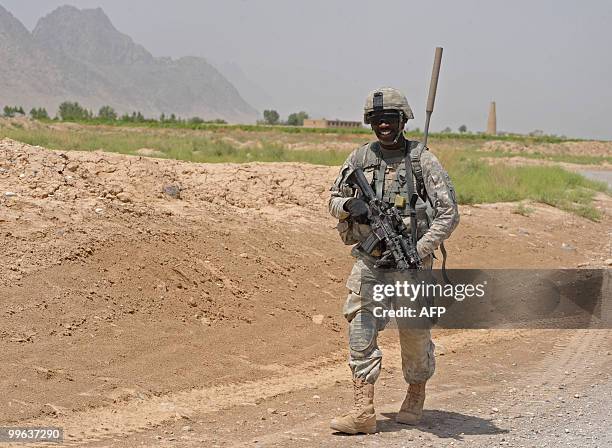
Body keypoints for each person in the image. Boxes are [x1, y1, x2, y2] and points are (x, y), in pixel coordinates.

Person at [328, 87, 460, 434]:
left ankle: (415, 393)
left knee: (414, 335)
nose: (383, 125)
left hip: (411, 264)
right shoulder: (359, 159)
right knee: (360, 327)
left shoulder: (422, 160)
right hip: (370, 261)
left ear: (403, 121)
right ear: (370, 123)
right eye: (377, 119)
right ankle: (363, 411)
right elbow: (332, 198)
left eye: (390, 119)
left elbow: (448, 214)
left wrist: (418, 250)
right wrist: (349, 206)